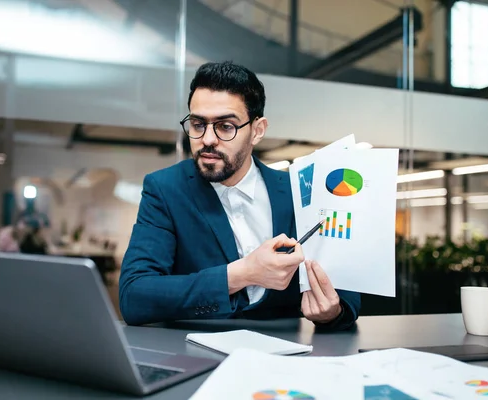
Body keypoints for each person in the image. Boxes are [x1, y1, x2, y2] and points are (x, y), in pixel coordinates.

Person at [119, 61, 360, 330]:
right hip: (197, 360)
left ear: (257, 130)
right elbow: (135, 295)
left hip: (286, 360)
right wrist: (242, 273)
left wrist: (332, 312)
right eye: (198, 124)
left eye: (225, 126)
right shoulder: (165, 189)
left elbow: (346, 292)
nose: (207, 139)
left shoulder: (297, 190)